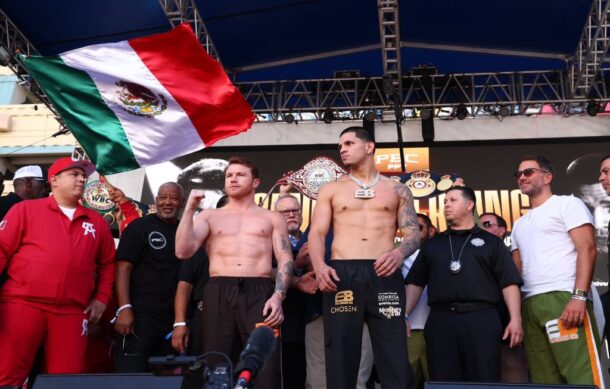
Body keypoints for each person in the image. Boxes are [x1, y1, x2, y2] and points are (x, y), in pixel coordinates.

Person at [309, 126, 420, 389]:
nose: (343, 150)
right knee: (340, 351)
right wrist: (319, 266)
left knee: (393, 351)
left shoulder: (397, 189)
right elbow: (316, 232)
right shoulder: (331, 189)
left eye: (348, 143)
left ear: (369, 147)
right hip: (341, 274)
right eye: (340, 146)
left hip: (384, 270)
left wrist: (398, 252)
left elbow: (413, 234)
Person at [175, 156, 293, 389]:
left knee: (266, 368)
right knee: (217, 365)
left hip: (259, 292)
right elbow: (182, 250)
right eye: (229, 175)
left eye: (240, 175)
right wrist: (189, 209)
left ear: (256, 182)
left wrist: (278, 296)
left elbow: (284, 258)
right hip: (219, 290)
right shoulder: (209, 216)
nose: (233, 179)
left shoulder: (271, 217)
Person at [0, 157, 115, 386]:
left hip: (71, 312)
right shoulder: (24, 210)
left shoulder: (97, 222)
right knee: (7, 372)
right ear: (54, 180)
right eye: (74, 174)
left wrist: (102, 298)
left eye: (83, 176)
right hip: (22, 304)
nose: (82, 179)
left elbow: (108, 263)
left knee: (66, 379)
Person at [405, 187, 522, 382]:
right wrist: (404, 315)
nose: (446, 205)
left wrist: (515, 319)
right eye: (445, 202)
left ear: (470, 205)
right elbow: (415, 283)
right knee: (443, 380)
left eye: (452, 200)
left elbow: (509, 283)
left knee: (485, 379)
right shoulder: (433, 245)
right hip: (441, 320)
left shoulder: (491, 243)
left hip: (482, 318)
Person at [511, 155, 604, 388]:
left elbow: (588, 249)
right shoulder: (519, 224)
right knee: (544, 382)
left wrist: (578, 296)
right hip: (530, 304)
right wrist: (518, 315)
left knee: (581, 379)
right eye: (519, 174)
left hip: (563, 297)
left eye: (529, 172)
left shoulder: (567, 204)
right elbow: (516, 272)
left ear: (548, 176)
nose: (522, 177)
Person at [113, 182, 187, 372]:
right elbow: (123, 269)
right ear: (156, 201)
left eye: (173, 198)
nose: (168, 202)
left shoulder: (187, 232)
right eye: (163, 198)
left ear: (182, 202)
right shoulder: (140, 227)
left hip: (172, 321)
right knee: (132, 378)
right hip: (139, 318)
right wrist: (124, 308)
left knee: (167, 378)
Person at [172, 196, 228, 356]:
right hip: (204, 316)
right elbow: (185, 285)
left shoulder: (249, 245)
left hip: (239, 315)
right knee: (200, 370)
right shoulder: (200, 245)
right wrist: (180, 323)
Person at [274, 194, 317, 389]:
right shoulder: (269, 240)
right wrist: (297, 265)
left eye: (295, 210)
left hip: (314, 315)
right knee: (289, 372)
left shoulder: (313, 237)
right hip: (285, 318)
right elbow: (266, 273)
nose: (291, 215)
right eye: (285, 212)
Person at [480, 212, 529, 384]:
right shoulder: (472, 258)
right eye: (479, 225)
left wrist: (516, 321)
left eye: (487, 224)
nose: (482, 228)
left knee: (513, 376)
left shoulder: (513, 259)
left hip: (509, 333)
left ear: (502, 231)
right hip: (478, 332)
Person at [401, 213, 433, 389]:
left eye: (419, 227)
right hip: (406, 333)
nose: (412, 231)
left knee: (439, 383)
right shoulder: (392, 256)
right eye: (407, 227)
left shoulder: (438, 253)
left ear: (430, 231)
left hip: (435, 331)